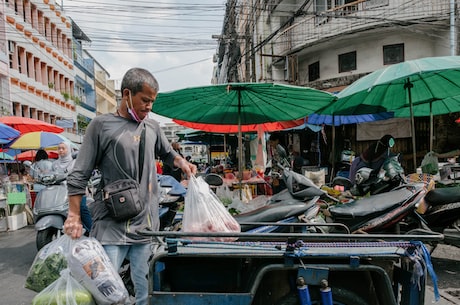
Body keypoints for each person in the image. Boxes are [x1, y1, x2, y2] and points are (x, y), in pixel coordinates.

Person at [63, 67, 196, 305]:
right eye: (145, 100)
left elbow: (168, 154)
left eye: (152, 102)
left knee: (145, 291)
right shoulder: (101, 125)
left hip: (145, 224)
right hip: (112, 225)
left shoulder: (153, 127)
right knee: (107, 292)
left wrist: (182, 162)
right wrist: (74, 215)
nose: (149, 107)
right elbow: (79, 173)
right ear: (127, 94)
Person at [52, 141, 92, 233]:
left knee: (82, 209)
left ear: (69, 150)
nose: (61, 150)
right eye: (59, 148)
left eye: (63, 148)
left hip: (76, 191)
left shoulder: (75, 162)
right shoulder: (55, 164)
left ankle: (92, 231)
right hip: (60, 192)